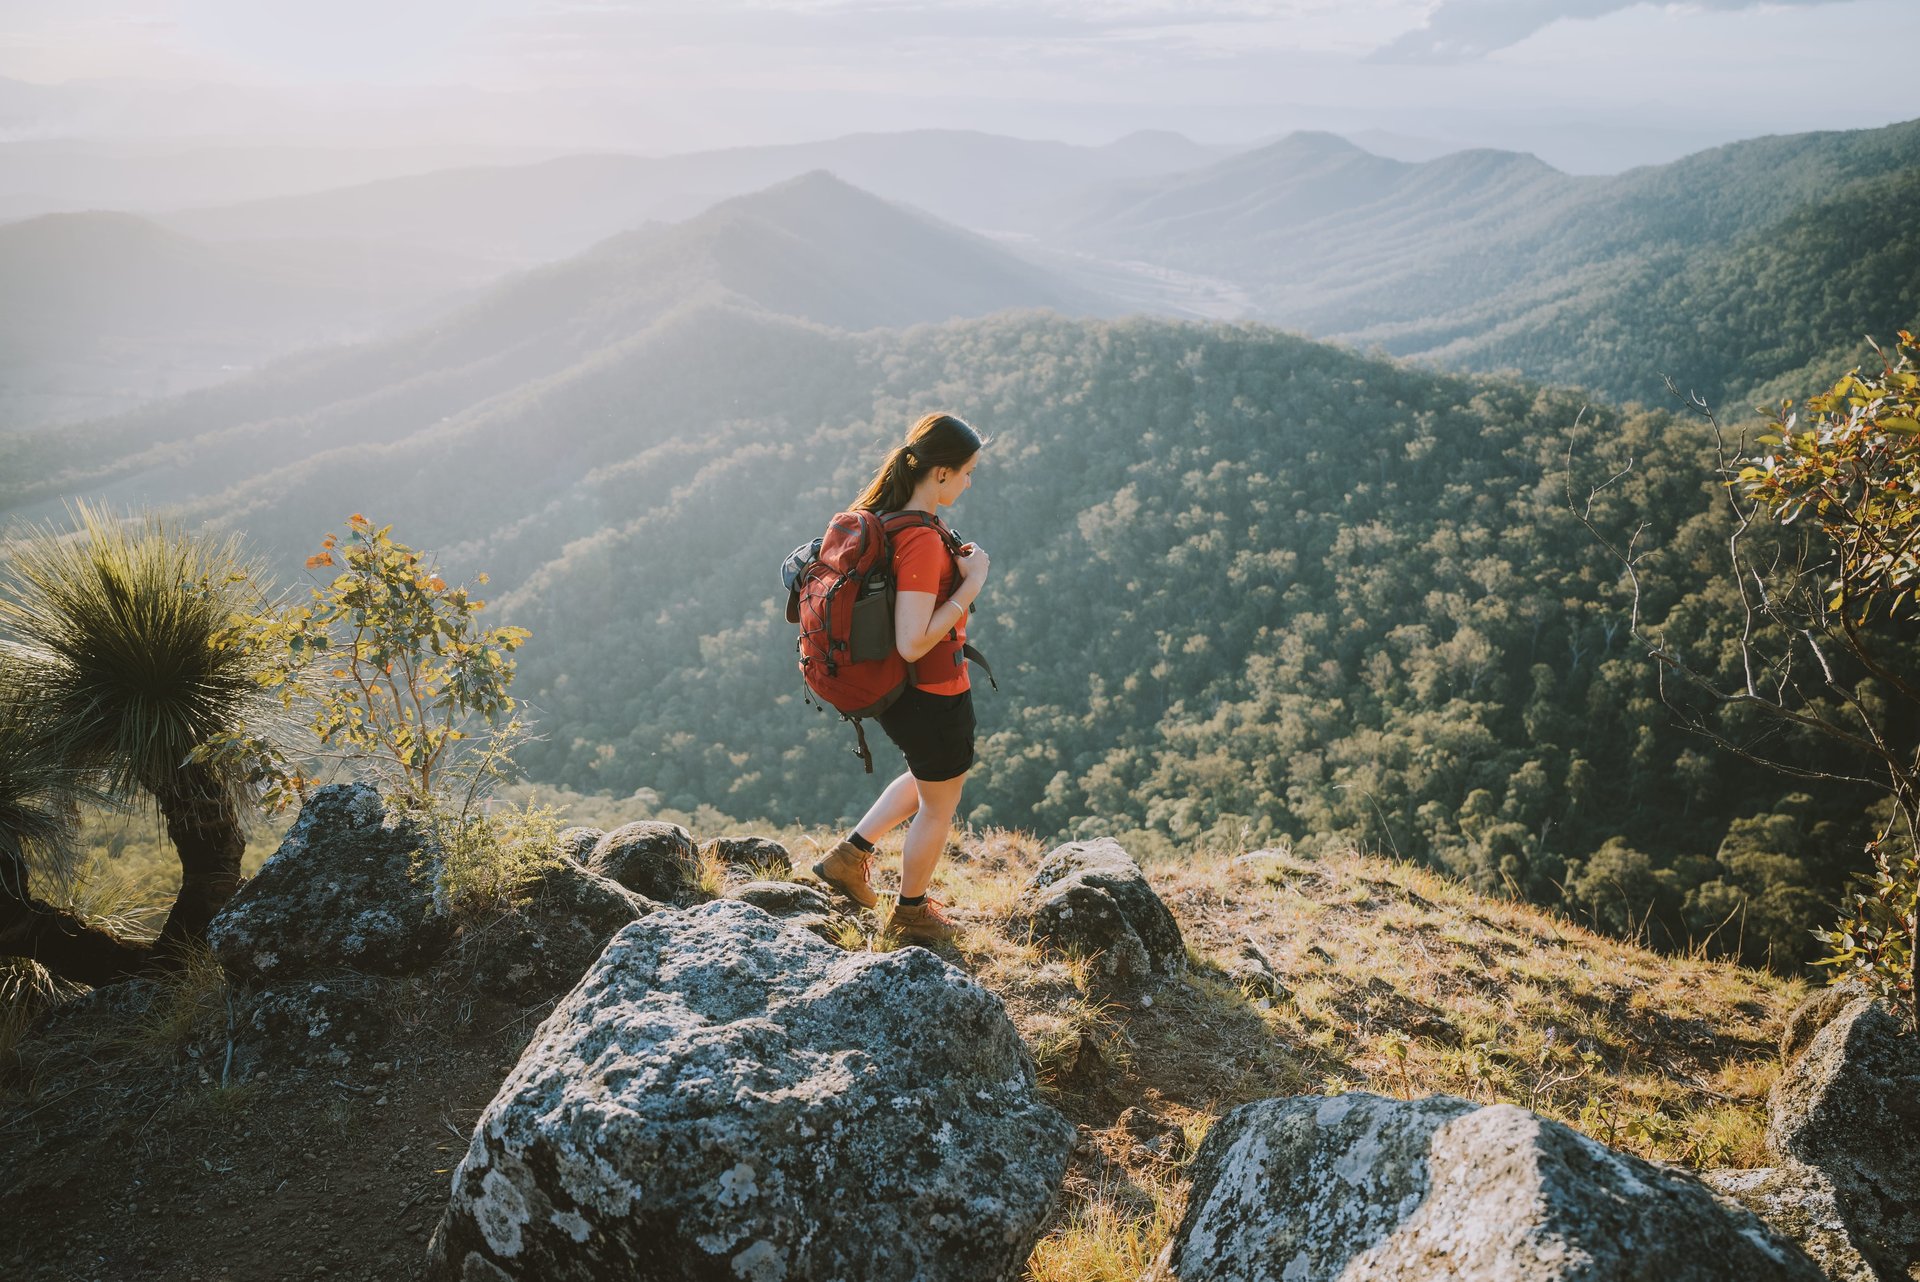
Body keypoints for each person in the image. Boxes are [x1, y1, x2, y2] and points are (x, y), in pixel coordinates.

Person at [811, 412, 989, 944]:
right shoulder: (922, 539)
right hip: (929, 692)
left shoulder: (882, 518)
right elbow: (914, 639)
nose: (968, 482)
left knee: (928, 775)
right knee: (940, 805)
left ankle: (849, 856)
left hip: (896, 689)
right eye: (965, 471)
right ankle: (911, 913)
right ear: (939, 474)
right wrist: (970, 586)